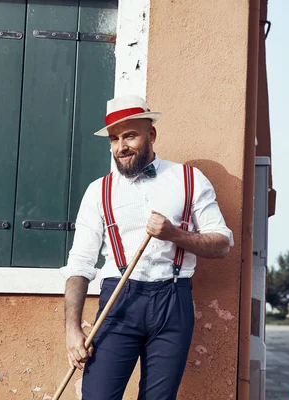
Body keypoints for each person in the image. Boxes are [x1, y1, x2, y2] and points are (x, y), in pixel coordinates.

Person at [60, 95, 233, 399]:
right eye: (114, 139)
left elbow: (222, 244)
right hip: (118, 301)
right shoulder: (98, 191)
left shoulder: (189, 180)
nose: (121, 146)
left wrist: (174, 234)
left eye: (130, 135)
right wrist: (72, 329)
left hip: (173, 298)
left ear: (151, 135)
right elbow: (80, 264)